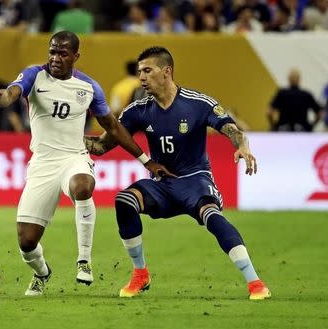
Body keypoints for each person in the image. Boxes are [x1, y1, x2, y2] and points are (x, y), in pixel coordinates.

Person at [0, 31, 173, 296]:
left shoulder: (89, 87)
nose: (55, 58)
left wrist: (146, 161)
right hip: (43, 164)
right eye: (52, 51)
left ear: (75, 56)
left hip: (75, 157)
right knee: (26, 242)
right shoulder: (34, 75)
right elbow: (10, 94)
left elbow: (113, 128)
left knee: (82, 186)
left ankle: (84, 261)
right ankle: (41, 273)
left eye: (62, 53)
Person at [84, 46, 271, 300]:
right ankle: (140, 273)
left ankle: (255, 282)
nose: (141, 78)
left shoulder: (198, 103)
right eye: (140, 72)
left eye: (147, 71)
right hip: (161, 184)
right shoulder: (137, 110)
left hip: (195, 181)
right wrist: (68, 138)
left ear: (167, 71)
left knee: (212, 217)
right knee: (124, 200)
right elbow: (101, 145)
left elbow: (232, 129)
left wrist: (243, 146)